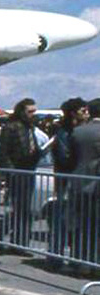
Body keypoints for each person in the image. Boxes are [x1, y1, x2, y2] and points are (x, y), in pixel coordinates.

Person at [0, 98, 41, 251]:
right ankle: (4, 235)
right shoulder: (11, 127)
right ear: (22, 111)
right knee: (19, 208)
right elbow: (4, 152)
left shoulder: (30, 127)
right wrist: (10, 171)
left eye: (34, 111)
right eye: (30, 111)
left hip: (29, 170)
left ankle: (20, 242)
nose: (33, 114)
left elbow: (30, 147)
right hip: (16, 172)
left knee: (25, 209)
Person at [48, 98, 87, 267]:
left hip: (75, 180)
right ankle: (55, 256)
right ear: (73, 113)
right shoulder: (63, 132)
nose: (86, 113)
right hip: (67, 180)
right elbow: (64, 158)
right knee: (62, 219)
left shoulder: (76, 130)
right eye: (83, 110)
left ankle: (73, 258)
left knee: (76, 221)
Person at [70, 99, 100, 270]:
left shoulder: (79, 131)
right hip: (96, 183)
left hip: (79, 181)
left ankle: (81, 262)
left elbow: (73, 158)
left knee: (81, 225)